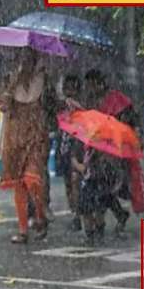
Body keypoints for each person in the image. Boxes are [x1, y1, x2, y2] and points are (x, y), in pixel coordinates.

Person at [83, 69, 144, 236]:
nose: (90, 88)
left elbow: (130, 121)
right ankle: (116, 215)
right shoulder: (91, 101)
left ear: (100, 83)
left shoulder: (117, 100)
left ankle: (107, 220)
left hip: (117, 152)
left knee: (109, 187)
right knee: (102, 187)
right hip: (97, 152)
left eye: (92, 84)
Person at [0, 50, 50, 244]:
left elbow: (52, 105)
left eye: (29, 59)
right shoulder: (11, 79)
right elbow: (3, 107)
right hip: (14, 136)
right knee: (19, 183)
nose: (25, 63)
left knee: (33, 179)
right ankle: (23, 229)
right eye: (22, 59)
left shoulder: (44, 80)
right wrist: (9, 91)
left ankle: (40, 215)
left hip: (35, 135)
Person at [74, 148, 125, 246]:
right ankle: (90, 237)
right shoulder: (84, 148)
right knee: (86, 211)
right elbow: (76, 161)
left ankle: (99, 235)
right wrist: (80, 166)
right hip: (87, 184)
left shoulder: (105, 150)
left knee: (99, 211)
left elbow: (115, 169)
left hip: (100, 183)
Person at [55, 75, 86, 232]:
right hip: (64, 150)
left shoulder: (81, 108)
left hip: (76, 150)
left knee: (76, 182)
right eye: (66, 88)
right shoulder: (62, 106)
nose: (69, 92)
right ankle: (74, 212)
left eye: (72, 88)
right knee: (68, 183)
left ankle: (78, 214)